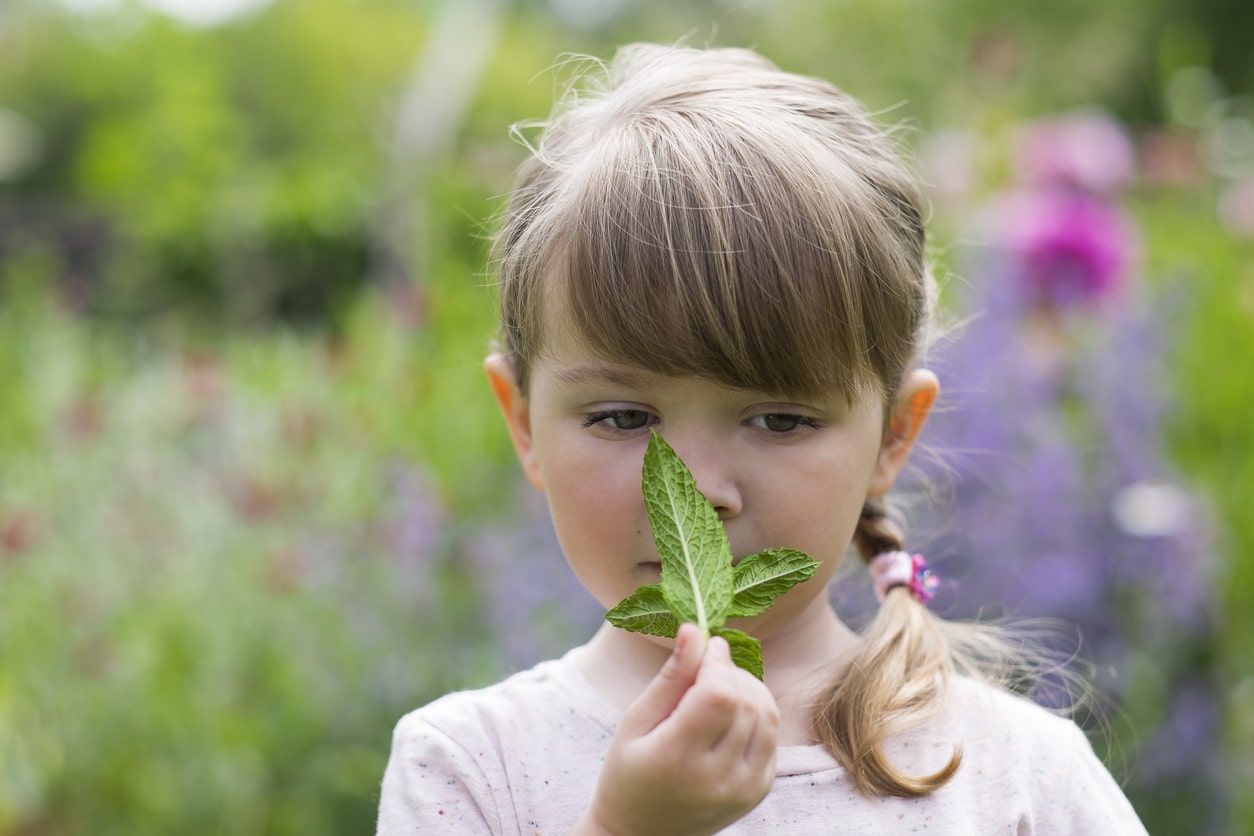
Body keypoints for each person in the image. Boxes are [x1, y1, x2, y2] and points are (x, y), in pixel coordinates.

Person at [376, 43, 1148, 834]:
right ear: (522, 422)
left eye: (780, 419)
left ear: (893, 435)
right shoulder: (469, 767)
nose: (701, 487)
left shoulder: (1014, 776)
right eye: (622, 417)